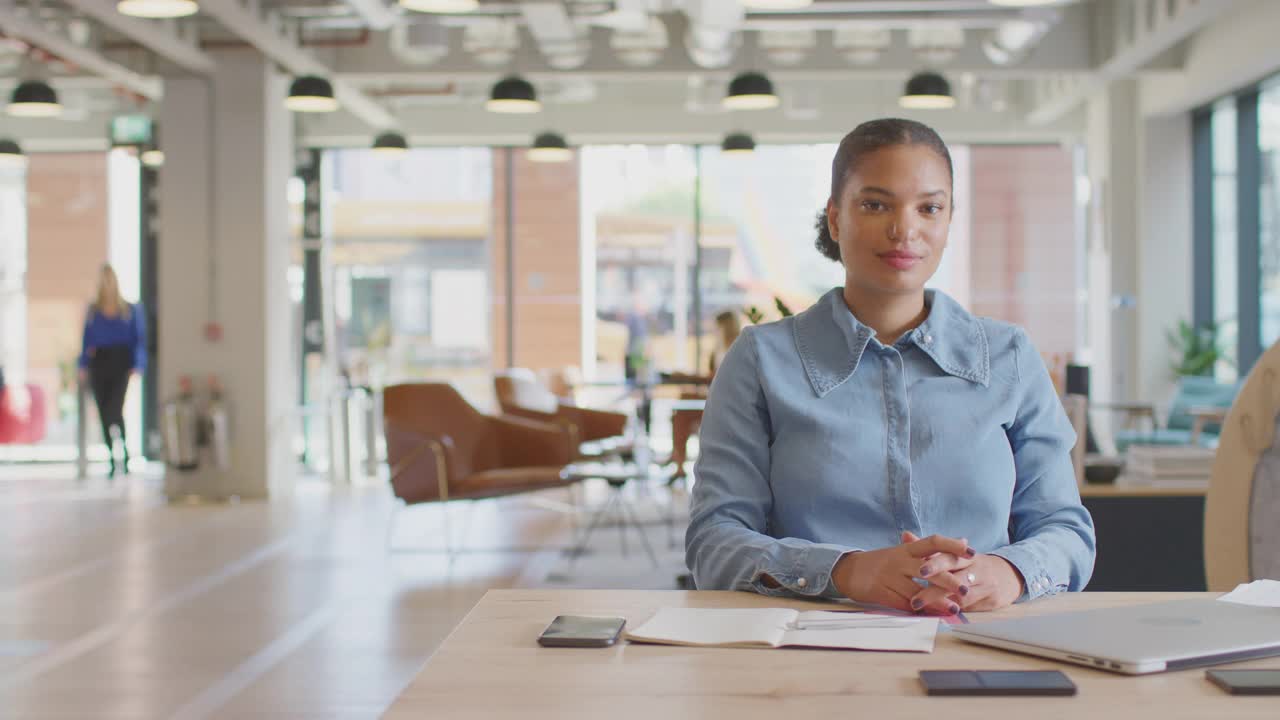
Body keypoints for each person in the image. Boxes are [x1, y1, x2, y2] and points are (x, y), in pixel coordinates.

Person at [685, 119, 1095, 616]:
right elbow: (713, 543)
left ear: (948, 221)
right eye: (876, 205)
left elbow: (1067, 531)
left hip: (985, 641)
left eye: (929, 208)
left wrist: (1007, 573)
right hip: (810, 654)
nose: (905, 229)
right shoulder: (760, 360)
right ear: (835, 220)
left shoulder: (1009, 356)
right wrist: (848, 571)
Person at [79, 265, 146, 478]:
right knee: (102, 413)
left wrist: (138, 364)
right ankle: (111, 458)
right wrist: (82, 365)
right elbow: (86, 341)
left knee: (114, 411)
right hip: (99, 363)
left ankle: (124, 454)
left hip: (120, 363)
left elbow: (139, 340)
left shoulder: (129, 310)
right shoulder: (93, 311)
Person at [663, 310, 742, 481]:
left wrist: (686, 377)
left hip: (728, 403)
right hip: (716, 398)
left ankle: (677, 458)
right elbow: (712, 378)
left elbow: (719, 379)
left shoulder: (737, 348)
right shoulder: (718, 349)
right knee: (680, 412)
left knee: (682, 407)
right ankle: (678, 458)